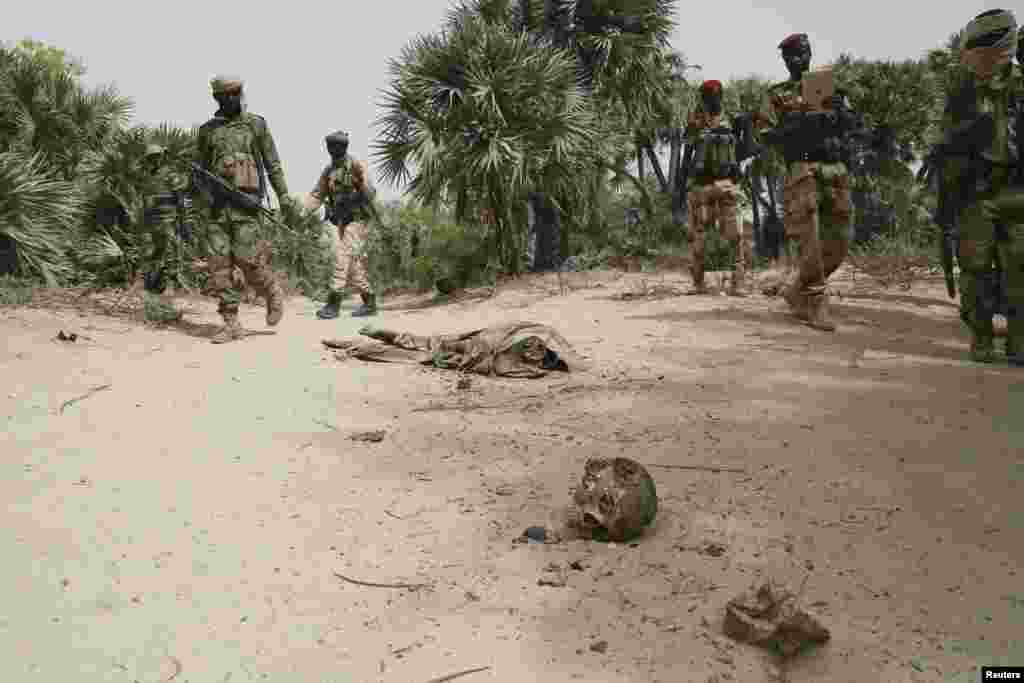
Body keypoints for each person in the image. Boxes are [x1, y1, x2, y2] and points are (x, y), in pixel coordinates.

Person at [754, 33, 858, 330]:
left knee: (839, 242)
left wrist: (840, 110)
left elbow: (853, 124)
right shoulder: (776, 95)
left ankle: (797, 287)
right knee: (810, 238)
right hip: (802, 169)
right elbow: (764, 134)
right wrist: (796, 125)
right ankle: (815, 303)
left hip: (835, 168)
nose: (798, 59)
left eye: (802, 53)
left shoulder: (831, 88)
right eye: (791, 55)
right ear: (785, 59)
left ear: (810, 53)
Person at [943, 9, 1023, 363]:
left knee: (1019, 268)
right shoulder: (963, 87)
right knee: (975, 270)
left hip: (1017, 190)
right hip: (978, 189)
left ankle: (1019, 343)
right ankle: (982, 338)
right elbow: (946, 143)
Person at [195, 75, 292, 343]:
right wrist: (203, 193)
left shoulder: (255, 125)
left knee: (248, 262)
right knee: (219, 266)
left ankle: (271, 289)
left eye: (237, 92)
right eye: (227, 94)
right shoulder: (208, 131)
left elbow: (272, 163)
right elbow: (199, 171)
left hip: (246, 207)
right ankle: (230, 322)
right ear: (218, 98)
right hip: (217, 209)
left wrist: (283, 195)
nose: (234, 98)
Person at [683, 80, 752, 295]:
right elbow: (687, 154)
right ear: (702, 98)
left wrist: (746, 127)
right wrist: (681, 185)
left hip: (727, 183)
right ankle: (698, 282)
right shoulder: (695, 122)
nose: (711, 99)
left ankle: (738, 282)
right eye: (706, 96)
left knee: (736, 235)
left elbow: (747, 149)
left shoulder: (733, 119)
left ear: (721, 96)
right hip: (701, 186)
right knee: (698, 238)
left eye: (715, 95)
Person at [308, 131, 378, 318]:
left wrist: (357, 187)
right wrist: (302, 214)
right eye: (331, 146)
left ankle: (333, 304)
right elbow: (317, 195)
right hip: (340, 222)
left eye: (338, 146)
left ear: (345, 147)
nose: (333, 150)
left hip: (357, 221)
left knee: (342, 258)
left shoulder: (356, 165)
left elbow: (371, 193)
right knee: (353, 264)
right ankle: (370, 301)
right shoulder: (328, 171)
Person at [140, 144, 191, 295]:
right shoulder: (148, 176)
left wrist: (184, 223)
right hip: (152, 222)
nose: (154, 160)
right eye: (151, 157)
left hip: (169, 219)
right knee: (151, 254)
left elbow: (180, 200)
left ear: (162, 157)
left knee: (170, 253)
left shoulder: (171, 174)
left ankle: (170, 285)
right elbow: (145, 200)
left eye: (156, 156)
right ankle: (152, 286)